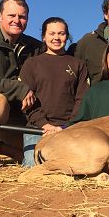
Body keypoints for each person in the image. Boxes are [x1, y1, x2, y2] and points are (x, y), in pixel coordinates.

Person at [19, 17, 89, 167]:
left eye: (61, 33)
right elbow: (27, 101)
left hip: (68, 128)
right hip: (37, 128)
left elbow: (81, 99)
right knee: (34, 166)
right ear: (44, 37)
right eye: (51, 34)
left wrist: (67, 126)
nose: (56, 37)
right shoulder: (31, 64)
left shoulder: (78, 65)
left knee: (73, 166)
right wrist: (44, 124)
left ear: (67, 36)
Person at [0, 0, 42, 162]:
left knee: (37, 157)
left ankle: (4, 148)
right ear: (0, 15)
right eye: (11, 15)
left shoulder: (36, 47)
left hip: (23, 115)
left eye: (22, 17)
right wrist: (20, 88)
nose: (17, 20)